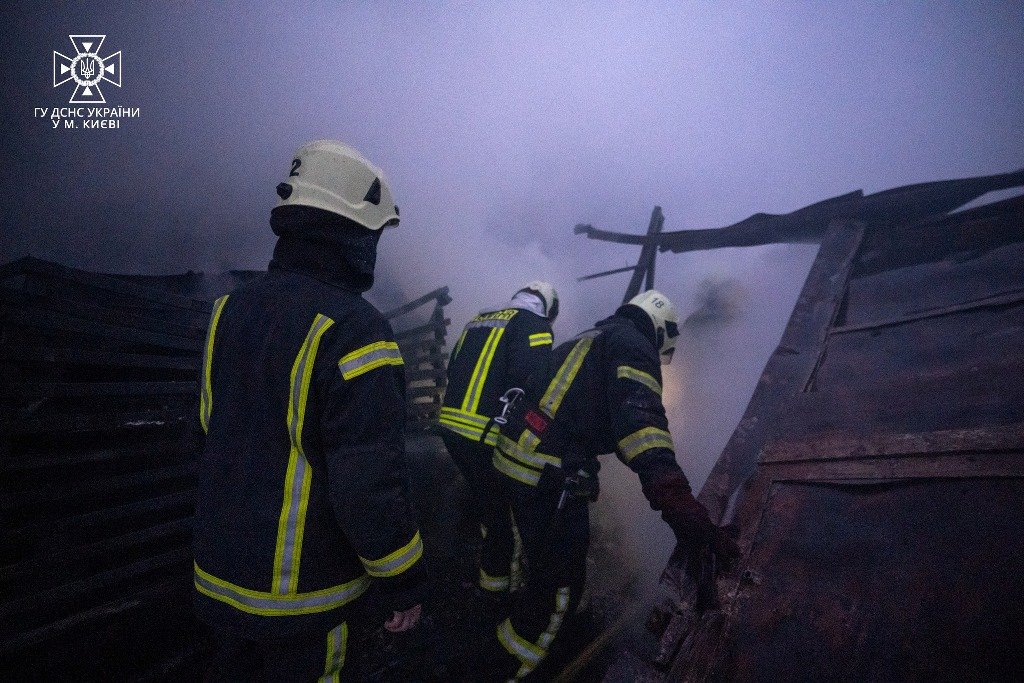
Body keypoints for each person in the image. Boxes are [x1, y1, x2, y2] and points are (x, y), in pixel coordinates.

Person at [192, 140, 426, 681]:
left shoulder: (227, 311)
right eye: (372, 236)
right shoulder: (356, 330)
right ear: (351, 233)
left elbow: (204, 439)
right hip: (304, 606)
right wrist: (405, 576)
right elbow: (369, 482)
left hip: (218, 586)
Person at [487, 289, 740, 680]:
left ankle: (502, 636)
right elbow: (641, 428)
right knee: (560, 588)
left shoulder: (591, 336)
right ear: (660, 331)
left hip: (511, 458)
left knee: (528, 560)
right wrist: (677, 502)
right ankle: (513, 668)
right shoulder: (634, 347)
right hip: (545, 472)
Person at [438, 283, 558, 600]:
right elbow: (535, 381)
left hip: (451, 427)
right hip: (487, 436)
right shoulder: (536, 326)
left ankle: (481, 577)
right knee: (507, 517)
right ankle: (506, 591)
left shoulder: (480, 319)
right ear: (549, 308)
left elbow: (453, 365)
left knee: (486, 501)